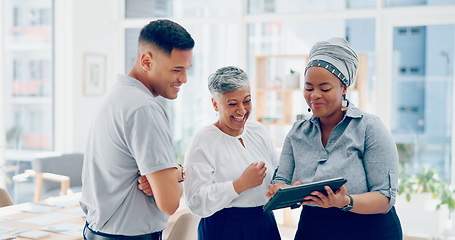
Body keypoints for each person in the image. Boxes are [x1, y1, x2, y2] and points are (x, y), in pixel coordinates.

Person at [266, 38, 402, 240]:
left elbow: (385, 199)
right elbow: (281, 181)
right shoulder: (297, 133)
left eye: (325, 88)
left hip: (370, 230)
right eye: (309, 87)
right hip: (314, 229)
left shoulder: (370, 128)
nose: (315, 95)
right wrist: (283, 191)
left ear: (344, 87)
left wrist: (344, 201)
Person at [80, 19, 194, 240]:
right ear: (146, 60)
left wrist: (168, 176)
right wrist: (178, 174)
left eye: (187, 69)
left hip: (98, 231)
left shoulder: (116, 97)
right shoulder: (144, 109)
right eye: (177, 69)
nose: (184, 79)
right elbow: (170, 203)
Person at [183, 66, 281, 240]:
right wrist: (239, 185)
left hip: (264, 222)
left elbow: (275, 173)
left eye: (247, 100)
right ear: (215, 104)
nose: (242, 110)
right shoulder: (204, 140)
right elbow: (195, 201)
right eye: (232, 104)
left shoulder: (258, 131)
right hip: (224, 228)